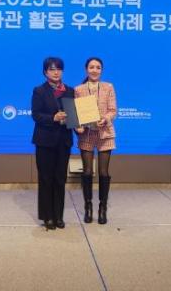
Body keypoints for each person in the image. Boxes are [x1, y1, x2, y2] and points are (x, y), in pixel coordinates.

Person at [31, 57, 75, 230]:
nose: (56, 72)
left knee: (60, 179)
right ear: (45, 72)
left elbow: (73, 116)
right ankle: (47, 216)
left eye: (59, 69)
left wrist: (77, 123)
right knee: (46, 179)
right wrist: (53, 118)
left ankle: (58, 216)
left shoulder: (69, 91)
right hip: (45, 141)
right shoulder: (39, 91)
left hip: (64, 141)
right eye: (52, 69)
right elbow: (36, 115)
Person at [75, 57, 117, 224]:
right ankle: (88, 206)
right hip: (86, 134)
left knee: (103, 172)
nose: (94, 70)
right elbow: (76, 113)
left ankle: (102, 207)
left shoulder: (108, 87)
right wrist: (77, 126)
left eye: (98, 67)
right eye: (91, 67)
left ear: (101, 70)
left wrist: (105, 119)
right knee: (87, 172)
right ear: (86, 69)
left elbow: (113, 110)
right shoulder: (78, 89)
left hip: (105, 133)